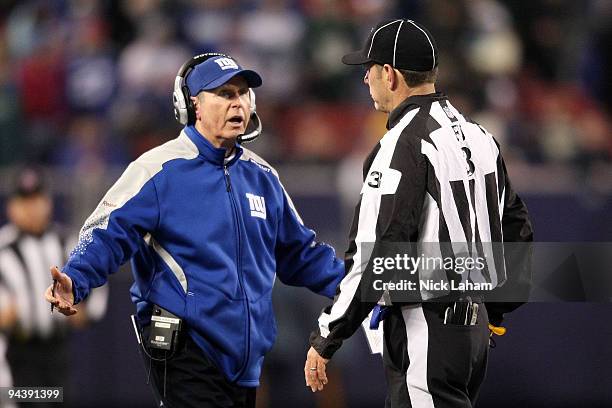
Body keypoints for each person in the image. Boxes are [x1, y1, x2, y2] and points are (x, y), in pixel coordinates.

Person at [45, 53, 344, 408]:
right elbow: (107, 232)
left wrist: (357, 290)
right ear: (194, 105)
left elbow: (301, 254)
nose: (238, 103)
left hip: (245, 356)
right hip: (186, 347)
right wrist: (76, 278)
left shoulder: (262, 177)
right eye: (224, 93)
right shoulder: (158, 169)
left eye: (243, 93)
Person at [304, 18, 533, 407]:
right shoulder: (480, 135)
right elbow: (518, 231)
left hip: (426, 325)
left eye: (369, 70)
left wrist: (328, 335)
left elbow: (379, 252)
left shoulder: (404, 142)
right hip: (473, 332)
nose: (365, 81)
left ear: (389, 75)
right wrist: (491, 309)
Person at [0, 168, 108, 404]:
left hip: (58, 351)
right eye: (24, 202)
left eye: (37, 200)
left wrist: (88, 313)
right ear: (11, 207)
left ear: (48, 202)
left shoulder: (66, 242)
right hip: (18, 352)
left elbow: (98, 279)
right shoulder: (3, 248)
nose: (32, 208)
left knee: (60, 400)